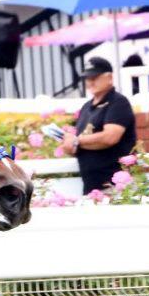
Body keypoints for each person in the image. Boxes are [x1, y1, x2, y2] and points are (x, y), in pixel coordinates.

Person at [59, 57, 137, 195]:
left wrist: (76, 141)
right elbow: (81, 144)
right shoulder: (86, 107)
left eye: (95, 77)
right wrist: (69, 145)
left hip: (117, 188)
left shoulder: (118, 102)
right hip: (92, 189)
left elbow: (110, 137)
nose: (90, 82)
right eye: (87, 78)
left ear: (109, 77)